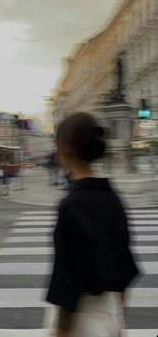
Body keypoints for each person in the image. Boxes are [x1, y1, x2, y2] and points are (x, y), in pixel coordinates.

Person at [46, 112, 139, 337]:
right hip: (110, 315)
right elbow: (124, 265)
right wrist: (117, 318)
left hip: (80, 321)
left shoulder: (71, 205)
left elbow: (67, 278)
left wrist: (61, 331)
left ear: (65, 152)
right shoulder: (113, 198)